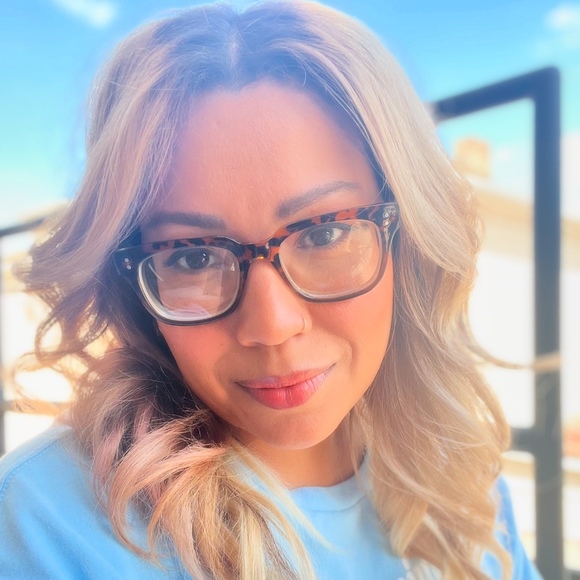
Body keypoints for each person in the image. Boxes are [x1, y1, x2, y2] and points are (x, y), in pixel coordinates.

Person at [0, 1, 541, 578]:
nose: (272, 325)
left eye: (325, 233)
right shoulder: (47, 523)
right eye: (193, 256)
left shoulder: (461, 483)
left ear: (406, 236)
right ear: (134, 286)